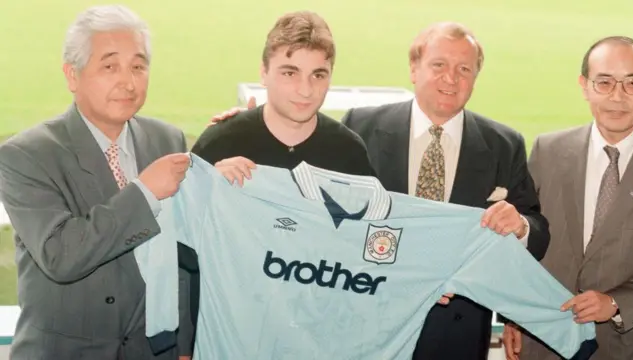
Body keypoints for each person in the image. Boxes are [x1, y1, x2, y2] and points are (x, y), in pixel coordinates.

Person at [212, 22, 550, 359]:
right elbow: (307, 202)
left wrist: (519, 226)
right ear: (414, 68)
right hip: (365, 326)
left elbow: (536, 234)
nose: (451, 78)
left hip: (455, 334)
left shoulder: (503, 144)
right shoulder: (360, 127)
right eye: (439, 65)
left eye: (464, 69)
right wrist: (250, 126)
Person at [0, 5, 194, 359]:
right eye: (110, 66)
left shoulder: (167, 140)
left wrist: (184, 344)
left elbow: (179, 258)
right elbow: (61, 255)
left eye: (138, 66)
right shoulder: (25, 156)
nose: (129, 81)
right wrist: (144, 192)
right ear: (72, 75)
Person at [183, 10, 377, 327]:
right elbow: (181, 252)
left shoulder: (349, 152)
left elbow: (370, 246)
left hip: (315, 332)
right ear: (263, 72)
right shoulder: (220, 142)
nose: (305, 90)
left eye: (318, 74)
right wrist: (207, 193)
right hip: (234, 330)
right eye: (290, 73)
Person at [503, 36, 633, 360]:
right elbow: (524, 242)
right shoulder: (547, 150)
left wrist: (618, 302)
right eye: (604, 82)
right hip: (543, 341)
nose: (617, 97)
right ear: (584, 86)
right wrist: (513, 313)